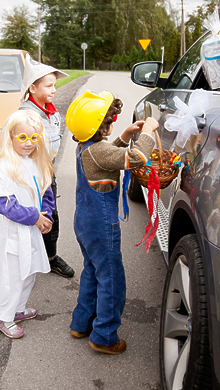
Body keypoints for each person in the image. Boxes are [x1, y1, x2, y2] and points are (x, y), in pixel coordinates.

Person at [65, 90, 158, 355]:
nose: (113, 122)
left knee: (92, 272)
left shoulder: (85, 146)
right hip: (101, 226)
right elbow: (137, 158)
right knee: (112, 279)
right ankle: (104, 336)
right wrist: (148, 132)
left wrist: (125, 136)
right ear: (98, 126)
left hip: (83, 222)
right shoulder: (100, 152)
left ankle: (81, 323)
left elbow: (108, 153)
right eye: (109, 121)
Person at [0, 110, 55, 339]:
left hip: (33, 230)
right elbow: (6, 206)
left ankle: (18, 309)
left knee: (29, 271)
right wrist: (35, 217)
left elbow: (46, 192)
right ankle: (3, 316)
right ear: (11, 137)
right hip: (17, 232)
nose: (29, 143)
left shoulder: (36, 162)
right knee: (13, 275)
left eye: (34, 138)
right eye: (22, 138)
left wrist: (48, 216)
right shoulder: (3, 168)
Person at [18, 56, 76, 278]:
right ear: (32, 88)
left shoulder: (51, 112)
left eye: (55, 85)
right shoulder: (25, 116)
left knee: (51, 217)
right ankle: (27, 261)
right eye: (49, 85)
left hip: (47, 174)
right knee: (30, 218)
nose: (54, 89)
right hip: (28, 177)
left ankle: (50, 259)